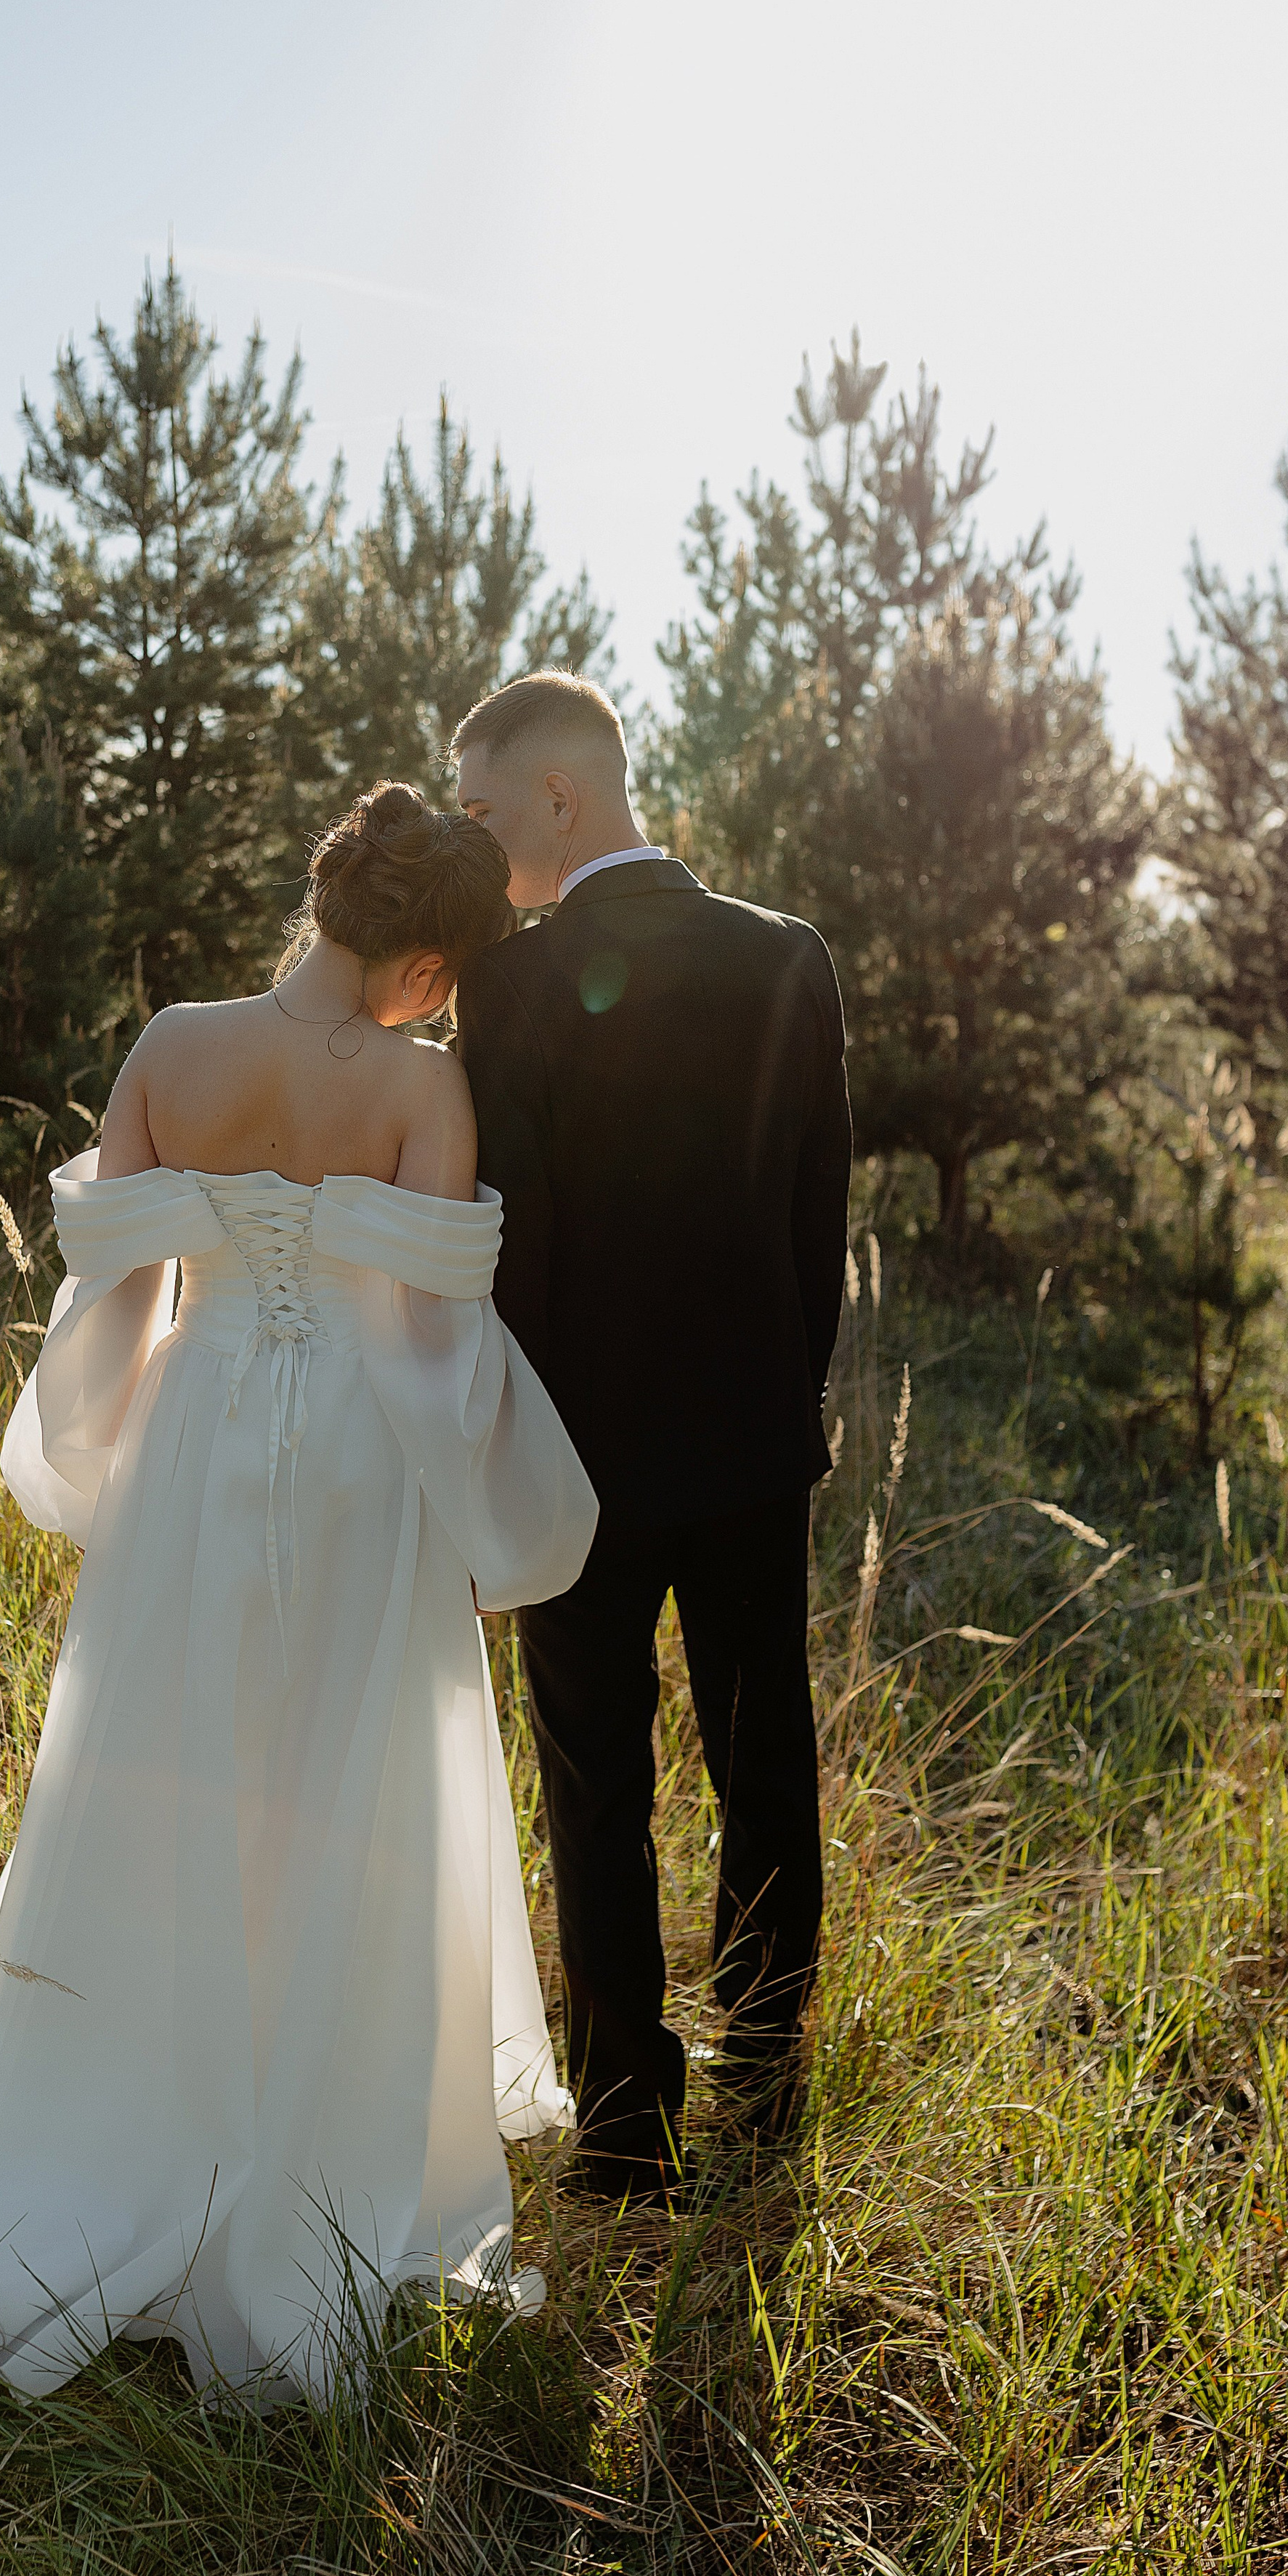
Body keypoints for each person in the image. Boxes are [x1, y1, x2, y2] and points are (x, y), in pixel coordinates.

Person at [0, 783, 597, 2399]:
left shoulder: (173, 1043)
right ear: (433, 957)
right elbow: (437, 1344)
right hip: (356, 1480)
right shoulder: (421, 1089)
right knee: (340, 1782)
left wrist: (106, 1445)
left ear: (330, 901)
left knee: (156, 1766)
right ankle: (310, 2142)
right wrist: (503, 1506)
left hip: (192, 1450)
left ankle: (109, 2121)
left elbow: (119, 1286)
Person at [453, 673, 852, 2202]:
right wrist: (786, 1395)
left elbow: (512, 1245)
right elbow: (818, 1208)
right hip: (753, 1442)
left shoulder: (512, 989)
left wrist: (506, 1457)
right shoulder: (784, 957)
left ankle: (625, 2126)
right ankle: (766, 2063)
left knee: (595, 1781)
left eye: (484, 814)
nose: (475, 848)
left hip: (579, 1465)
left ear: (562, 797)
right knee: (765, 1754)